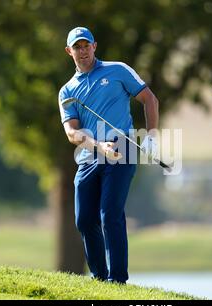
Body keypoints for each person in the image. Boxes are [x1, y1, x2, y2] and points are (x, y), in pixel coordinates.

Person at [58, 27, 160, 284]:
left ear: (94, 46)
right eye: (77, 47)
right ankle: (99, 278)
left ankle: (118, 280)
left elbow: (149, 99)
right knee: (84, 219)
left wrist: (151, 136)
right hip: (89, 155)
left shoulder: (118, 70)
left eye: (86, 46)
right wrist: (97, 146)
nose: (82, 51)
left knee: (110, 213)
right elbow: (72, 133)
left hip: (122, 148)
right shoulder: (67, 91)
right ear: (69, 52)